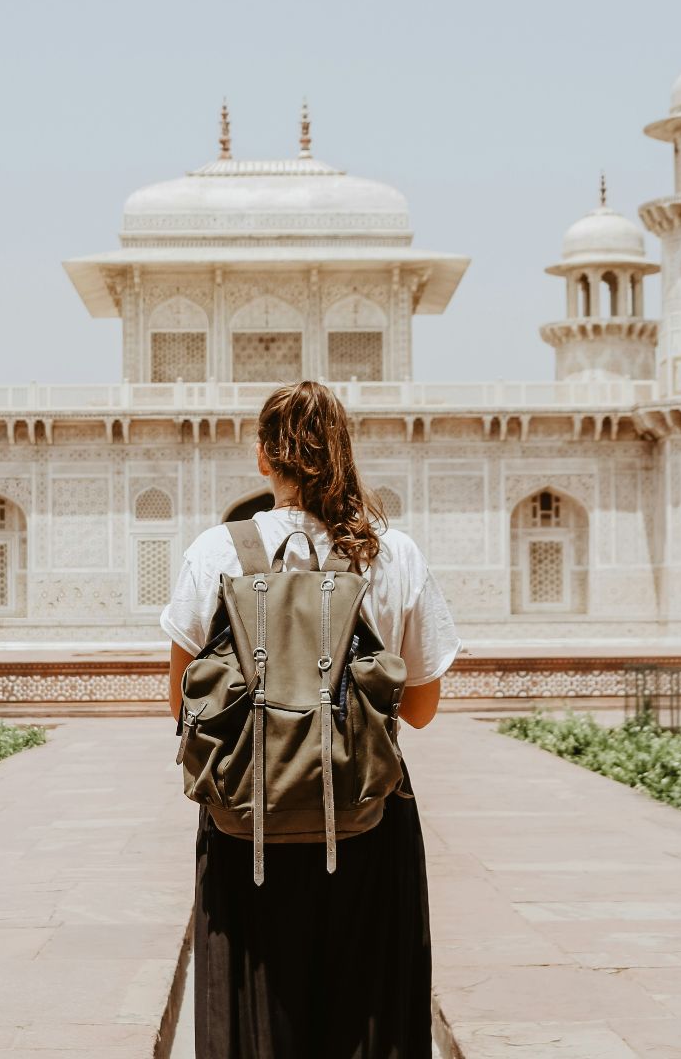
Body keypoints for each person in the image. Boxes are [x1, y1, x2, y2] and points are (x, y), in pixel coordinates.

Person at [159, 381, 460, 1058]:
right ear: (344, 452)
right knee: (369, 1017)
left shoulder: (216, 551)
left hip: (247, 818)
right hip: (367, 814)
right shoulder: (391, 553)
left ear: (265, 458)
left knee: (254, 1016)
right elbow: (422, 706)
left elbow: (181, 700)